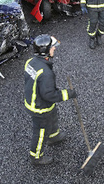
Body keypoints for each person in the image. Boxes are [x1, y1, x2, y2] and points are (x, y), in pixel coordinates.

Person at [24, 34, 77, 165]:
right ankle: (36, 157)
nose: (54, 49)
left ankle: (53, 136)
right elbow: (49, 95)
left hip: (36, 100)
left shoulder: (30, 62)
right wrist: (68, 94)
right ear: (45, 51)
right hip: (40, 108)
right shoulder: (45, 73)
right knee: (41, 132)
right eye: (52, 48)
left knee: (53, 116)